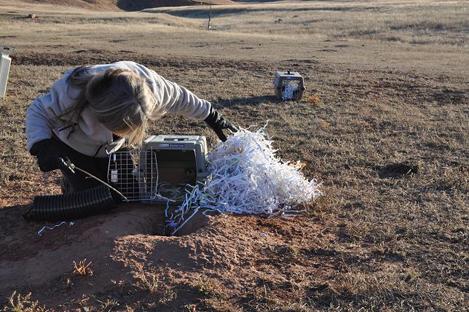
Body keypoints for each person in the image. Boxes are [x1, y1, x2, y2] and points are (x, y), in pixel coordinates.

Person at [26, 61, 237, 194]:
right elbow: (37, 110)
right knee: (90, 196)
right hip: (72, 144)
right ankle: (72, 185)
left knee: (125, 194)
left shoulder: (152, 89)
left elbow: (182, 97)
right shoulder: (72, 89)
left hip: (113, 149)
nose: (118, 132)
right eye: (115, 127)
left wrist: (212, 116)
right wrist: (42, 144)